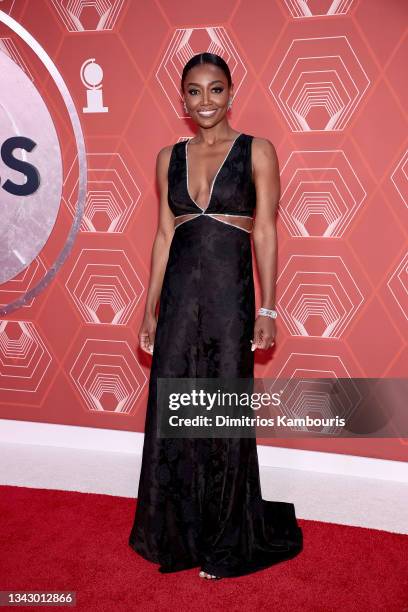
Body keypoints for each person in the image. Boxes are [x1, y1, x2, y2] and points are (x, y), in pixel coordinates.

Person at [128, 52, 303, 580]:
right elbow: (163, 235)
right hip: (180, 296)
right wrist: (149, 307)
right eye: (194, 92)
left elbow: (266, 231)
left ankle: (228, 540)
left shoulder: (257, 151)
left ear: (232, 93)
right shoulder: (167, 157)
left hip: (231, 296)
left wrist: (269, 305)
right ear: (181, 99)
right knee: (175, 410)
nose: (205, 101)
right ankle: (177, 535)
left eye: (216, 90)